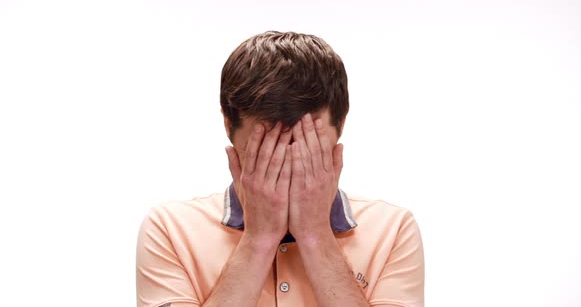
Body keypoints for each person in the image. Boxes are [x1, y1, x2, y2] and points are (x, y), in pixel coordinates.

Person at [136, 31, 425, 307]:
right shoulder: (169, 230)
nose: (285, 173)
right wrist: (258, 240)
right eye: (265, 154)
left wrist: (315, 236)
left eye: (307, 152)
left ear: (342, 125)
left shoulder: (393, 230)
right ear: (228, 126)